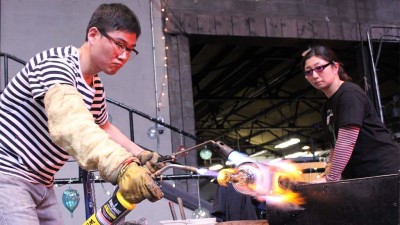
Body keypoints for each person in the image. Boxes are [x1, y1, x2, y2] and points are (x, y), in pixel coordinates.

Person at [0, 3, 164, 224]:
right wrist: (121, 165)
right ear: (93, 34)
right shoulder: (55, 65)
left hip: (43, 184)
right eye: (119, 44)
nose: (124, 56)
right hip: (8, 176)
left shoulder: (94, 86)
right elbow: (71, 124)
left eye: (130, 49)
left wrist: (140, 152)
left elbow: (103, 126)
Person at [301, 45, 400, 183]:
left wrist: (330, 179)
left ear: (335, 67)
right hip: (362, 178)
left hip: (385, 172)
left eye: (319, 68)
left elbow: (347, 140)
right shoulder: (327, 108)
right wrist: (328, 174)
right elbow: (336, 146)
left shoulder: (349, 93)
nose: (315, 75)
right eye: (309, 72)